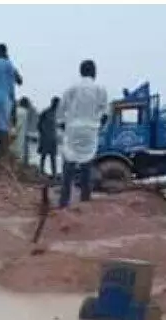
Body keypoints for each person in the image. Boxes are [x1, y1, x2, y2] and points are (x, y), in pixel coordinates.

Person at [57, 59, 108, 208]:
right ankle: (85, 200)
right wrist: (98, 127)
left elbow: (61, 110)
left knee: (69, 165)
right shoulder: (100, 89)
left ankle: (64, 202)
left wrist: (63, 127)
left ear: (81, 72)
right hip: (90, 129)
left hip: (73, 129)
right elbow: (105, 113)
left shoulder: (71, 89)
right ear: (94, 72)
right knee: (87, 165)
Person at [0, 43, 23, 155]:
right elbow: (19, 80)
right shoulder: (9, 64)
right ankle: (3, 153)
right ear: (5, 52)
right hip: (5, 98)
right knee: (3, 127)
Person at [37, 97, 60, 178]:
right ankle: (41, 171)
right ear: (52, 103)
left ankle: (54, 174)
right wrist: (43, 134)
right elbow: (39, 124)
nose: (56, 105)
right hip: (45, 138)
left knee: (53, 157)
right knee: (43, 156)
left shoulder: (57, 114)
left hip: (53, 138)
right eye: (55, 103)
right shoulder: (45, 112)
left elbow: (59, 125)